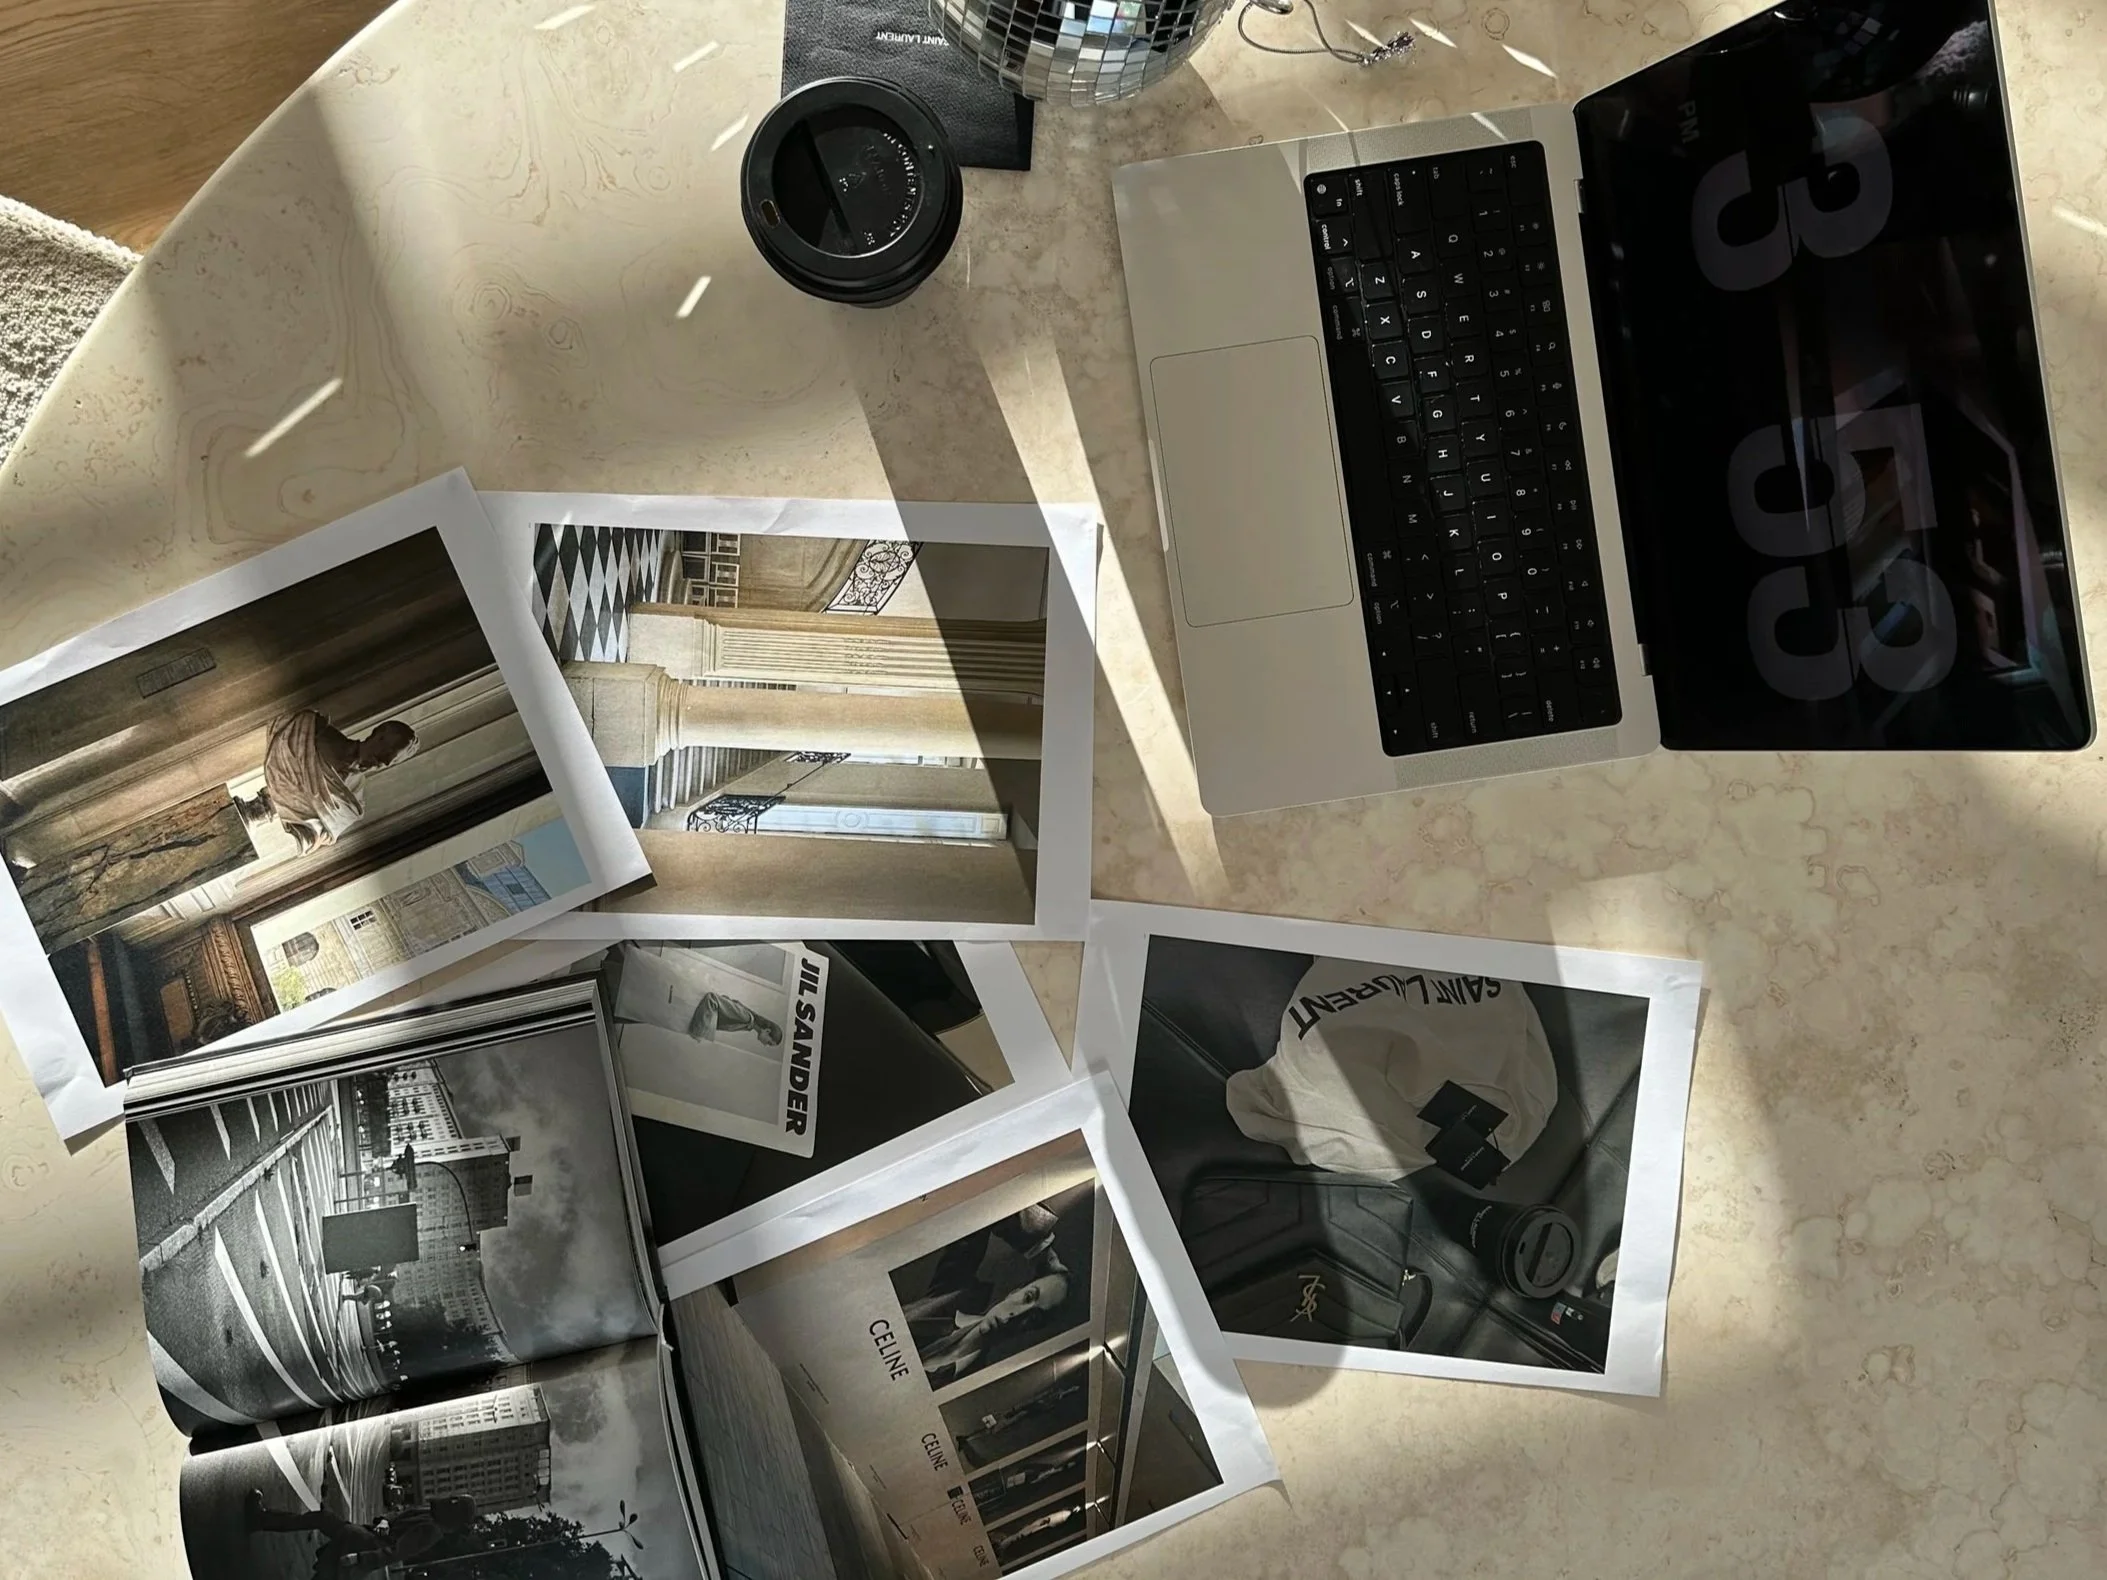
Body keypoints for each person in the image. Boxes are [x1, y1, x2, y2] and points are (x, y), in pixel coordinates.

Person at [260, 711, 420, 854]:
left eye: (391, 761)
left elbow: (317, 837)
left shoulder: (353, 802)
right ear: (377, 734)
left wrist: (314, 835)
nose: (384, 762)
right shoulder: (311, 731)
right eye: (387, 751)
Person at [244, 1489, 476, 1573]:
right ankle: (261, 1519)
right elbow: (397, 1515)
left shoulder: (433, 1531)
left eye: (455, 1502)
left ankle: (260, 1519)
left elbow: (396, 1553)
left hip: (363, 1546)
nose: (450, 1499)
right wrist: (384, 1520)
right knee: (322, 1518)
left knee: (326, 1574)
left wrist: (359, 1559)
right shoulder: (431, 1511)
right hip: (361, 1536)